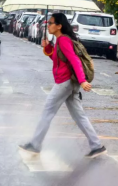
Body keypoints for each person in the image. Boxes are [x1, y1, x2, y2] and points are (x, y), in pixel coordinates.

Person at [19, 13, 107, 158]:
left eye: (51, 23)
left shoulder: (64, 40)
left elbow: (75, 61)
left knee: (47, 111)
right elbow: (57, 59)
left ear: (59, 26)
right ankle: (97, 146)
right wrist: (47, 48)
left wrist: (82, 80)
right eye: (48, 23)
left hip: (65, 82)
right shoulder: (60, 40)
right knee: (80, 116)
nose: (48, 25)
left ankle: (35, 144)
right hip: (69, 83)